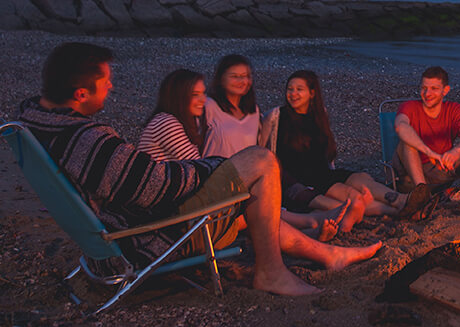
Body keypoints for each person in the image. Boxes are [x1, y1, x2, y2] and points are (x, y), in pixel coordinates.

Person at [19, 43, 380, 297]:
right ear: (81, 93)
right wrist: (211, 169)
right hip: (146, 236)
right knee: (261, 161)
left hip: (114, 232)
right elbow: (153, 185)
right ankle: (272, 273)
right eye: (105, 81)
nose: (112, 86)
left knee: (247, 200)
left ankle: (328, 254)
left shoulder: (38, 127)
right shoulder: (87, 139)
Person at [139, 68, 346, 241]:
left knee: (249, 208)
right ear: (178, 96)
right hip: (165, 217)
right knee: (249, 202)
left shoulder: (176, 123)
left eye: (203, 93)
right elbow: (199, 169)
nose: (203, 100)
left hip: (172, 206)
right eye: (196, 95)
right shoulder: (166, 123)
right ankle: (310, 222)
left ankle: (309, 228)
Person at [264, 71, 430, 220]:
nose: (293, 94)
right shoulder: (276, 116)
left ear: (312, 93)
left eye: (299, 89)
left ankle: (401, 199)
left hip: (323, 173)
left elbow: (325, 154)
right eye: (290, 89)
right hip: (300, 179)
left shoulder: (320, 114)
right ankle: (399, 211)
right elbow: (262, 151)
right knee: (353, 196)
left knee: (362, 178)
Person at [393, 66, 460, 216]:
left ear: (446, 90)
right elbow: (400, 126)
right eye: (424, 88)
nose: (427, 93)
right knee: (406, 144)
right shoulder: (409, 107)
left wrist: (456, 151)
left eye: (434, 88)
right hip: (412, 174)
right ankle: (422, 196)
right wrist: (430, 153)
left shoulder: (453, 109)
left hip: (442, 169)